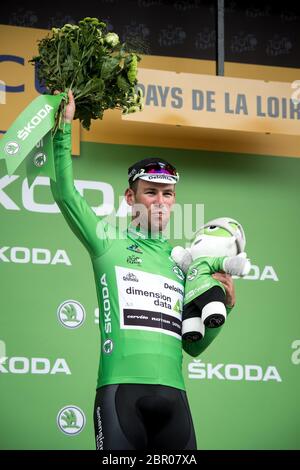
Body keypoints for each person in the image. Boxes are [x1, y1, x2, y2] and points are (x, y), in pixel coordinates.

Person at [51, 90, 236, 450]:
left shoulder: (183, 260)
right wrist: (63, 130)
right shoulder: (108, 240)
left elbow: (193, 346)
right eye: (151, 192)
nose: (161, 202)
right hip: (121, 394)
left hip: (175, 399)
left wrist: (226, 305)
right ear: (129, 198)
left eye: (168, 194)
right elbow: (64, 193)